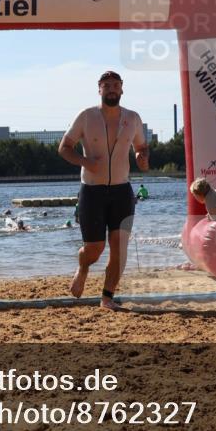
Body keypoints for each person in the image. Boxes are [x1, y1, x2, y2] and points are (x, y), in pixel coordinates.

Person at [58, 70, 150, 311]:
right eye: (106, 85)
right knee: (95, 248)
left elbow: (141, 146)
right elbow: (64, 148)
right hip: (92, 191)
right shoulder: (86, 116)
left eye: (115, 85)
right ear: (99, 89)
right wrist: (86, 162)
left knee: (119, 247)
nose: (111, 89)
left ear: (122, 89)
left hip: (122, 191)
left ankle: (107, 298)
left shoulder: (133, 117)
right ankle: (83, 267)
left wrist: (141, 156)